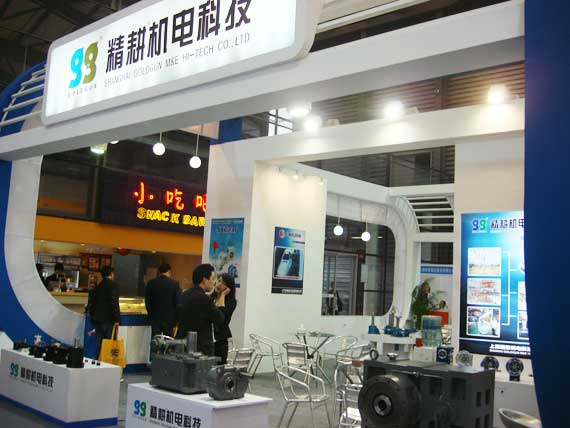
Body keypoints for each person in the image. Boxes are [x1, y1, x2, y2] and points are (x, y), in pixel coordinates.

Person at [176, 264, 225, 356]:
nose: (214, 282)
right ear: (204, 280)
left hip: (182, 344)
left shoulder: (184, 295)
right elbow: (220, 318)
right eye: (212, 279)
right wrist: (222, 296)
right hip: (201, 349)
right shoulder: (204, 299)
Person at [87, 266, 120, 358]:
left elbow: (92, 302)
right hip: (108, 320)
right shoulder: (113, 285)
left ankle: (97, 360)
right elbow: (114, 303)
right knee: (107, 344)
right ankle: (105, 361)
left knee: (98, 344)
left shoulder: (99, 286)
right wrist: (117, 319)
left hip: (98, 320)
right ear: (111, 274)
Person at [145, 263, 181, 338]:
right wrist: (176, 322)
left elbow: (147, 302)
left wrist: (151, 315)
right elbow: (178, 303)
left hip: (155, 318)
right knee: (168, 341)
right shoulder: (174, 284)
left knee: (155, 339)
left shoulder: (151, 283)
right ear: (169, 271)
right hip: (169, 320)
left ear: (159, 272)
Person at [213, 274, 237, 364]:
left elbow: (221, 318)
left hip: (221, 338)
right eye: (219, 281)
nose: (219, 284)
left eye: (223, 283)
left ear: (228, 288)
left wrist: (222, 295)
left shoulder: (231, 302)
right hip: (208, 338)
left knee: (220, 365)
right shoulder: (211, 298)